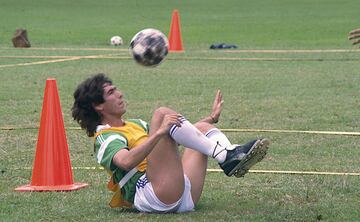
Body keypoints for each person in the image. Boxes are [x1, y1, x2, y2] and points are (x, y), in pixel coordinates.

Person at [72, 73, 270, 213]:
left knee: (199, 128)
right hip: (154, 195)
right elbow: (125, 162)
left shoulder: (135, 124)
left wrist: (210, 119)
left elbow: (178, 134)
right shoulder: (106, 136)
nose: (120, 94)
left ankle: (228, 154)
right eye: (111, 92)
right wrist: (158, 133)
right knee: (161, 114)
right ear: (98, 106)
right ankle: (226, 156)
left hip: (181, 195)